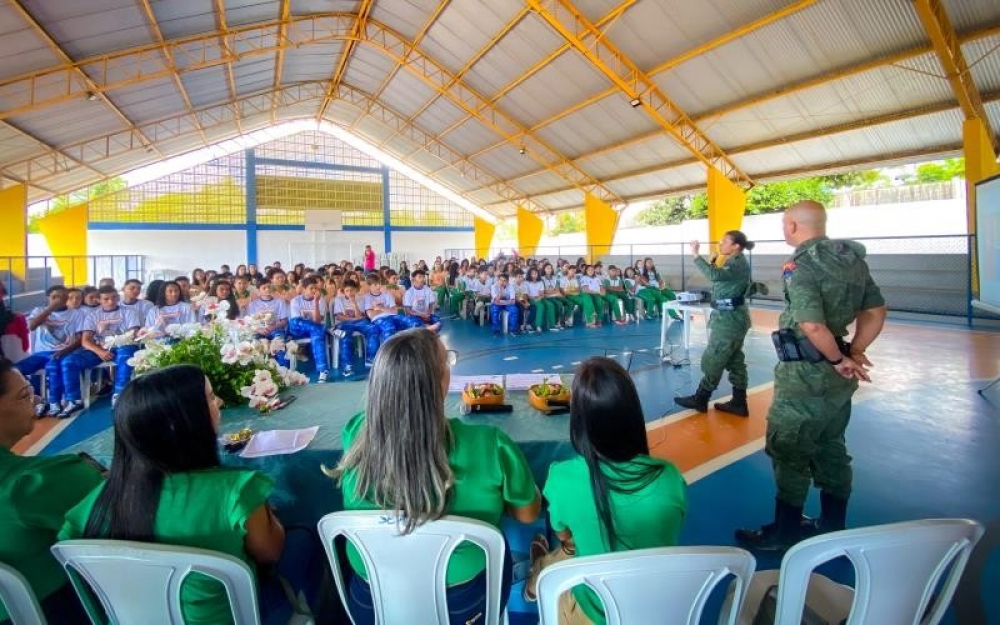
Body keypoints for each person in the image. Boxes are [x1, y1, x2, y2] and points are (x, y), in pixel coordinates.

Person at [59, 365, 325, 625]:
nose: (219, 402)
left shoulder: (88, 508)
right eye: (210, 397)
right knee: (303, 537)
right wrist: (265, 512)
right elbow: (271, 553)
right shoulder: (236, 491)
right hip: (235, 616)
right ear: (183, 422)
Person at [336, 329, 541, 625]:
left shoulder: (356, 431)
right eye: (447, 362)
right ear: (440, 383)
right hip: (462, 603)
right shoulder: (490, 444)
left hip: (372, 600)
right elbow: (527, 513)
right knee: (502, 545)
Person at [735, 201, 886, 552]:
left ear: (791, 226)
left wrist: (836, 358)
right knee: (832, 445)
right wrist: (855, 350)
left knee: (789, 448)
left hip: (805, 374)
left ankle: (785, 533)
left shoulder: (800, 264)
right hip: (836, 380)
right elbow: (876, 310)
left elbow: (812, 324)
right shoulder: (853, 260)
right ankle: (833, 524)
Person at [525, 357, 687, 623]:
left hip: (590, 613)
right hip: (653, 611)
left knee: (568, 550)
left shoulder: (561, 478)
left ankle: (537, 576)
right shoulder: (669, 477)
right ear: (633, 414)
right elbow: (669, 529)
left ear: (579, 420)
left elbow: (564, 535)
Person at [0, 357, 104, 624]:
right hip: (52, 609)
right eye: (24, 394)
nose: (35, 399)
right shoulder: (31, 483)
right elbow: (120, 503)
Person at [675, 231, 756, 416]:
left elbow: (714, 276)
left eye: (724, 241)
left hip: (729, 321)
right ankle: (739, 402)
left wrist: (696, 254)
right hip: (731, 318)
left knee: (715, 357)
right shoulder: (734, 262)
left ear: (736, 246)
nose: (720, 244)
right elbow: (721, 277)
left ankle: (701, 398)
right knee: (735, 360)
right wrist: (712, 261)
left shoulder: (737, 263)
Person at [59, 285, 141, 416]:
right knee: (69, 361)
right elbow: (85, 340)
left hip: (124, 346)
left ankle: (119, 394)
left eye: (114, 298)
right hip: (100, 348)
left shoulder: (129, 312)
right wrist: (99, 351)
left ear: (118, 297)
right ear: (98, 300)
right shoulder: (93, 316)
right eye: (106, 299)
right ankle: (74, 400)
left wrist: (116, 342)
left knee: (126, 355)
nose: (111, 301)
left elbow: (134, 333)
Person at [14, 285, 82, 417]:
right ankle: (39, 399)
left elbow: (79, 339)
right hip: (40, 354)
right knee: (15, 370)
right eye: (54, 297)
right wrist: (51, 308)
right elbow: (32, 326)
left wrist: (64, 351)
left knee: (53, 365)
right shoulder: (39, 310)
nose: (58, 300)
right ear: (48, 298)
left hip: (62, 352)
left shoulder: (75, 314)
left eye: (62, 297)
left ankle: (54, 402)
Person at [288, 277, 330, 383]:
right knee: (298, 323)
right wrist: (318, 327)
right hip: (297, 331)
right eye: (311, 288)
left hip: (313, 330)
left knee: (317, 333)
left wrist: (315, 302)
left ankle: (322, 370)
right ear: (304, 289)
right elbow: (296, 322)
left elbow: (316, 320)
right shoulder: (295, 301)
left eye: (316, 288)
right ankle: (329, 331)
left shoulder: (321, 301)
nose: (314, 291)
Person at [333, 278, 377, 378]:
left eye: (352, 290)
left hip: (360, 321)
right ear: (343, 291)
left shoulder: (360, 298)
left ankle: (371, 360)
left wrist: (354, 304)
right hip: (345, 323)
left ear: (356, 290)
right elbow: (339, 316)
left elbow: (360, 315)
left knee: (373, 329)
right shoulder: (339, 299)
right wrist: (352, 319)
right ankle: (347, 366)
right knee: (345, 336)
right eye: (347, 290)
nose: (350, 293)